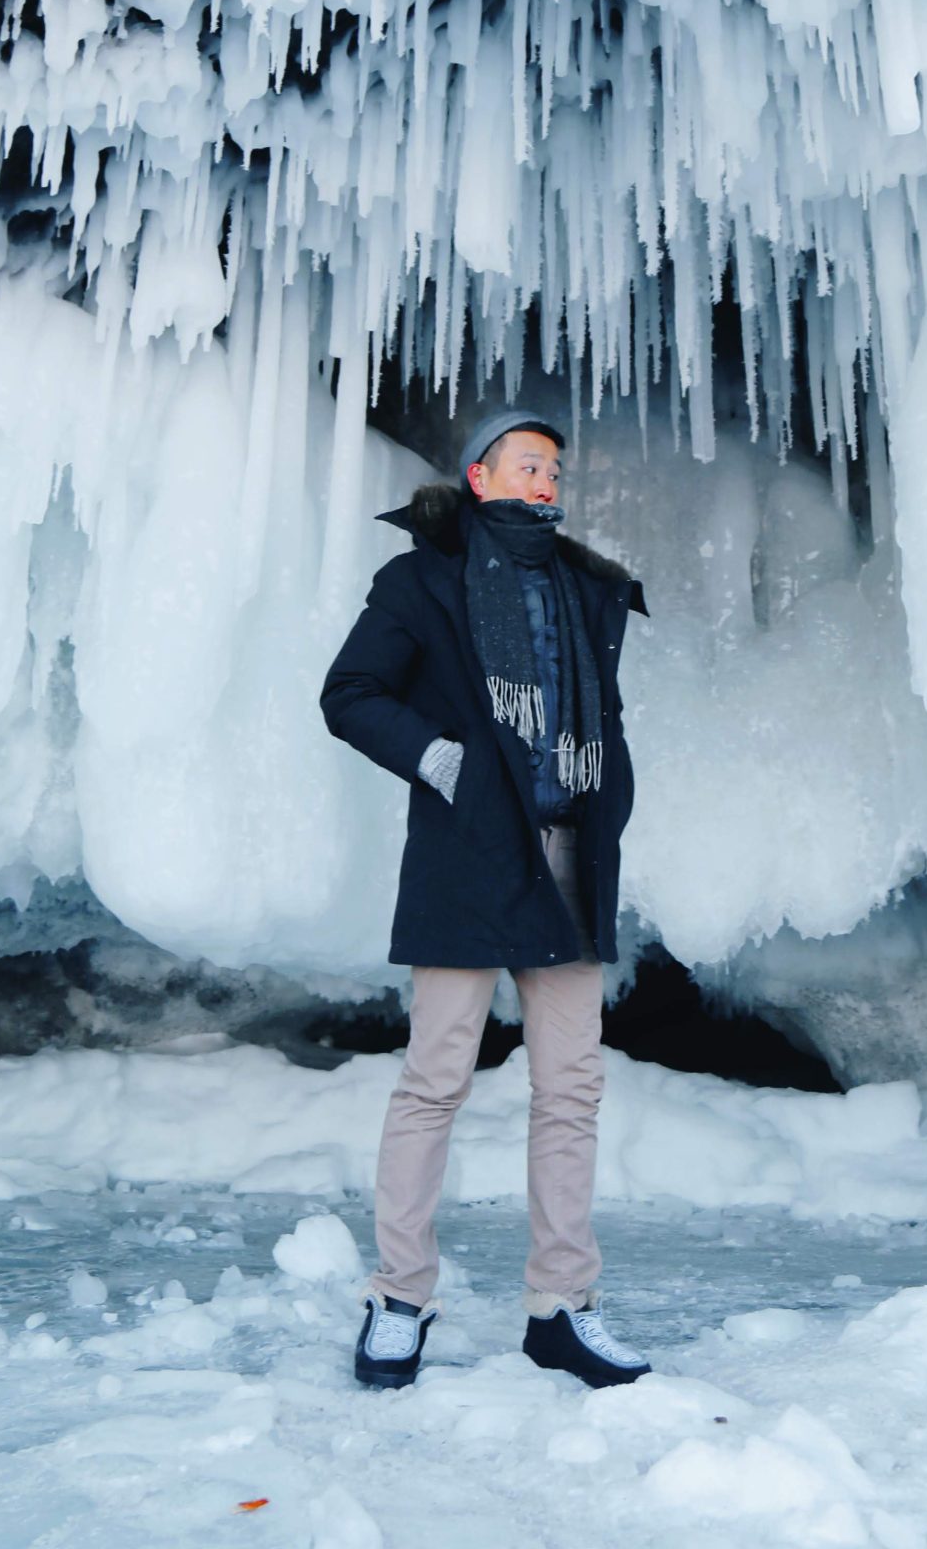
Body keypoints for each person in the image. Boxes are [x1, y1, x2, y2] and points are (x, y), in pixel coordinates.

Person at [320, 408, 651, 1391]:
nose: (545, 481)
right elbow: (351, 693)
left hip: (567, 861)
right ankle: (398, 1298)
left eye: (553, 467)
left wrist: (610, 802)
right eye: (526, 464)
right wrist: (439, 758)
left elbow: (605, 717)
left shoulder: (586, 590)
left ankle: (560, 1308)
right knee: (434, 1080)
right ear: (477, 476)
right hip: (469, 857)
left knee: (571, 1090)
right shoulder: (421, 580)